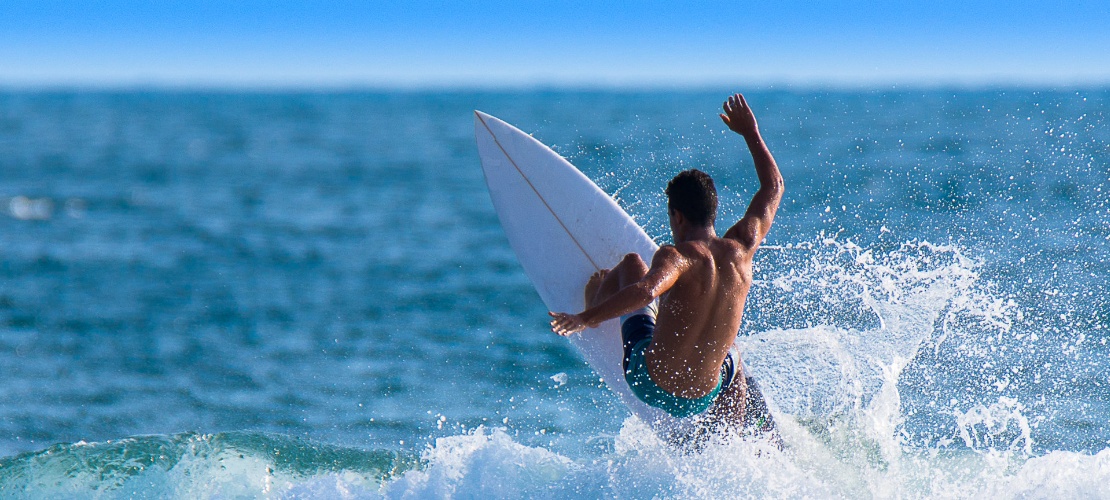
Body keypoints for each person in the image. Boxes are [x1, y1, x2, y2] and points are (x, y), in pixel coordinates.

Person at [549, 93, 783, 432]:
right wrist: (751, 133)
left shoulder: (678, 257)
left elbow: (644, 291)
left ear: (677, 216)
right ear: (712, 212)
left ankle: (596, 296)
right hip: (703, 397)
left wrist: (585, 318)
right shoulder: (743, 249)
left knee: (630, 263)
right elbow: (773, 186)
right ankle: (731, 435)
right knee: (733, 355)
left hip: (649, 382)